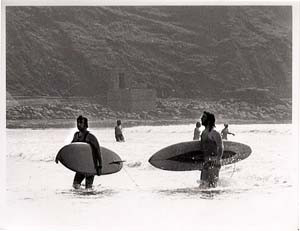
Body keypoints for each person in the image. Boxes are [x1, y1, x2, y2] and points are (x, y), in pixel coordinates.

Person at [56, 115, 102, 189]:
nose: (79, 124)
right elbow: (70, 148)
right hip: (81, 166)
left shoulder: (90, 137)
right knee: (75, 185)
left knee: (88, 189)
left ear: (86, 125)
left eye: (81, 123)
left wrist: (99, 166)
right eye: (78, 123)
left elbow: (98, 151)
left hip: (90, 166)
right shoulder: (76, 135)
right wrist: (59, 155)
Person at [200, 111, 223, 188]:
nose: (201, 118)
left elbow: (221, 146)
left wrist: (218, 159)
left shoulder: (214, 133)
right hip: (206, 162)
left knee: (212, 187)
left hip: (214, 161)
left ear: (209, 120)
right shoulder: (203, 133)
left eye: (204, 117)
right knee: (202, 186)